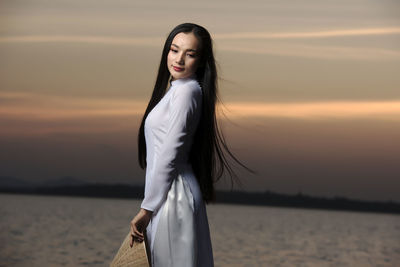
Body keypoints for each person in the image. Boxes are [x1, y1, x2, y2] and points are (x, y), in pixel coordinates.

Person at [130, 23, 253, 267]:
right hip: (168, 195)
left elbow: (169, 154)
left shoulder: (187, 93)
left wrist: (147, 209)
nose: (179, 59)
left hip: (172, 198)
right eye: (174, 50)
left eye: (190, 54)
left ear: (202, 61)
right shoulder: (176, 91)